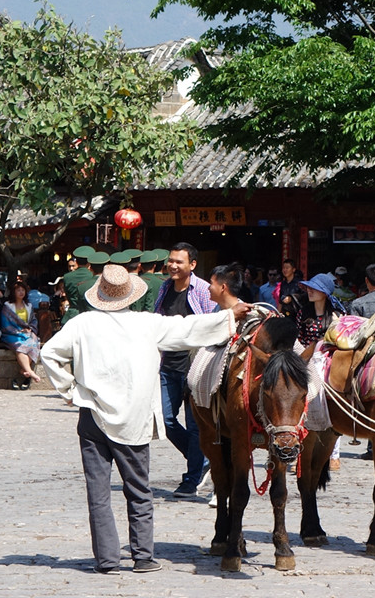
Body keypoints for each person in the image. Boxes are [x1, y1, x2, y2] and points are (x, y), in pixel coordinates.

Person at [41, 262, 252, 574]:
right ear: (130, 296)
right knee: (139, 491)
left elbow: (48, 353)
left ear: (100, 295)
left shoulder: (81, 324)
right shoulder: (148, 324)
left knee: (98, 494)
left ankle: (107, 559)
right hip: (133, 419)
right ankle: (142, 557)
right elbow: (189, 330)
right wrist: (229, 316)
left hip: (91, 419)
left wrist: (70, 390)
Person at [154, 242, 216, 497]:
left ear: (192, 265)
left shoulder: (202, 290)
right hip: (168, 364)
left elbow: (213, 324)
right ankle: (200, 460)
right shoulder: (165, 288)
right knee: (165, 420)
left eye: (179, 261)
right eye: (171, 260)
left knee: (194, 425)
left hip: (195, 366)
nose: (173, 265)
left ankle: (190, 481)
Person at [0, 280, 42, 389]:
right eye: (18, 290)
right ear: (13, 292)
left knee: (33, 342)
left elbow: (33, 320)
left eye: (23, 290)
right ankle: (30, 372)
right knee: (20, 347)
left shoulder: (29, 306)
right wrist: (18, 331)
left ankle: (24, 371)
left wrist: (30, 329)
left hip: (26, 332)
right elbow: (5, 323)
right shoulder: (7, 306)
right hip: (11, 334)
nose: (21, 292)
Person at [60, 246, 99, 324]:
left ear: (76, 261)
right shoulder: (92, 275)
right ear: (89, 261)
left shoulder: (67, 277)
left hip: (72, 315)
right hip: (89, 314)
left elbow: (67, 295)